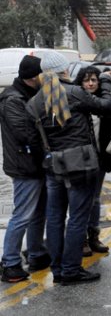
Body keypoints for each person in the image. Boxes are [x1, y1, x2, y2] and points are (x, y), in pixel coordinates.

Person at [26, 51, 111, 285]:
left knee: (54, 217)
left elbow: (33, 137)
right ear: (65, 70)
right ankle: (72, 269)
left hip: (54, 163)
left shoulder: (35, 101)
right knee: (77, 218)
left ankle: (59, 269)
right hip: (81, 163)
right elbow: (105, 106)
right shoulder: (74, 92)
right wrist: (105, 81)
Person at [0, 56, 51, 283]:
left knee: (37, 212)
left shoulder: (28, 94)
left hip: (34, 164)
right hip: (24, 166)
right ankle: (9, 263)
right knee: (22, 215)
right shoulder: (13, 99)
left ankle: (37, 253)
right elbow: (24, 133)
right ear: (34, 78)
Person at [73, 66, 111, 256]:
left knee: (95, 199)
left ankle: (93, 236)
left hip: (100, 158)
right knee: (81, 201)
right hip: (80, 160)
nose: (90, 83)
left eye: (94, 80)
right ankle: (80, 240)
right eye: (86, 80)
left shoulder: (104, 105)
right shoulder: (77, 102)